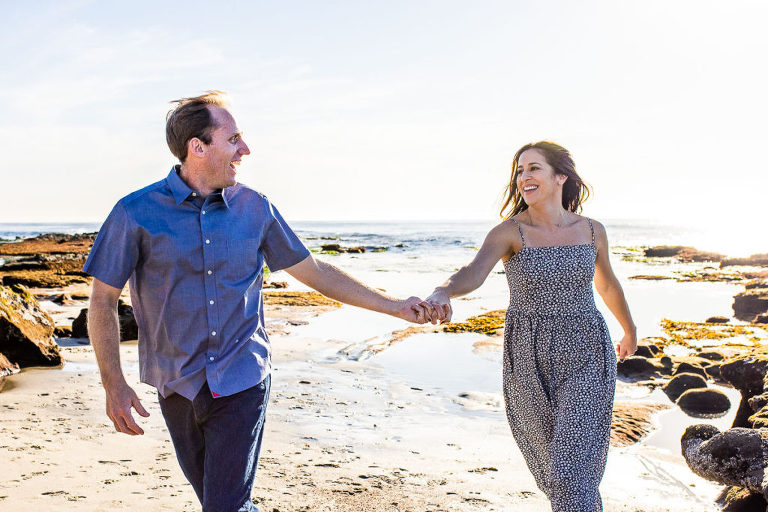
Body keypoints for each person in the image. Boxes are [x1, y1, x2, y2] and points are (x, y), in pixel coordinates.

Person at [83, 91, 429, 512]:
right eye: (233, 140)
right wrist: (112, 383)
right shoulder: (135, 212)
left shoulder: (256, 208)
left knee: (224, 507)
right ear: (198, 147)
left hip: (242, 377)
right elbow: (102, 301)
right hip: (176, 385)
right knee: (220, 502)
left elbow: (315, 272)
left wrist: (394, 305)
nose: (244, 150)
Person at [422, 141, 637, 511]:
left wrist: (629, 329)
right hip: (528, 355)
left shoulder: (591, 230)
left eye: (534, 168)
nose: (524, 177)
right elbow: (473, 274)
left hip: (586, 348)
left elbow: (606, 283)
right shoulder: (509, 232)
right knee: (557, 472)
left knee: (570, 471)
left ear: (560, 177)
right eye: (520, 171)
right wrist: (444, 291)